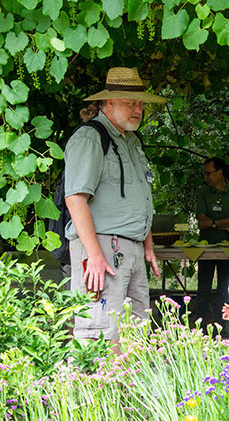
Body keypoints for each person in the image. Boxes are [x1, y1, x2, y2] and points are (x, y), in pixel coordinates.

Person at [64, 67, 166, 354]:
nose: (139, 109)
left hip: (130, 249)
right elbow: (75, 200)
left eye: (141, 103)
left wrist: (147, 244)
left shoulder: (132, 141)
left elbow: (139, 195)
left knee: (135, 334)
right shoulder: (90, 137)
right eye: (131, 102)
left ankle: (127, 398)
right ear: (109, 102)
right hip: (102, 250)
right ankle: (93, 397)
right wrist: (94, 256)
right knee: (99, 333)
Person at [195, 157, 229, 328]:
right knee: (203, 290)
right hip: (205, 249)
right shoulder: (203, 193)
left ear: (220, 173)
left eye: (209, 173)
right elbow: (201, 221)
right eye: (205, 173)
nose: (206, 177)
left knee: (225, 289)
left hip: (228, 249)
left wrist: (214, 223)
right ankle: (200, 330)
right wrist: (226, 224)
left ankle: (221, 329)